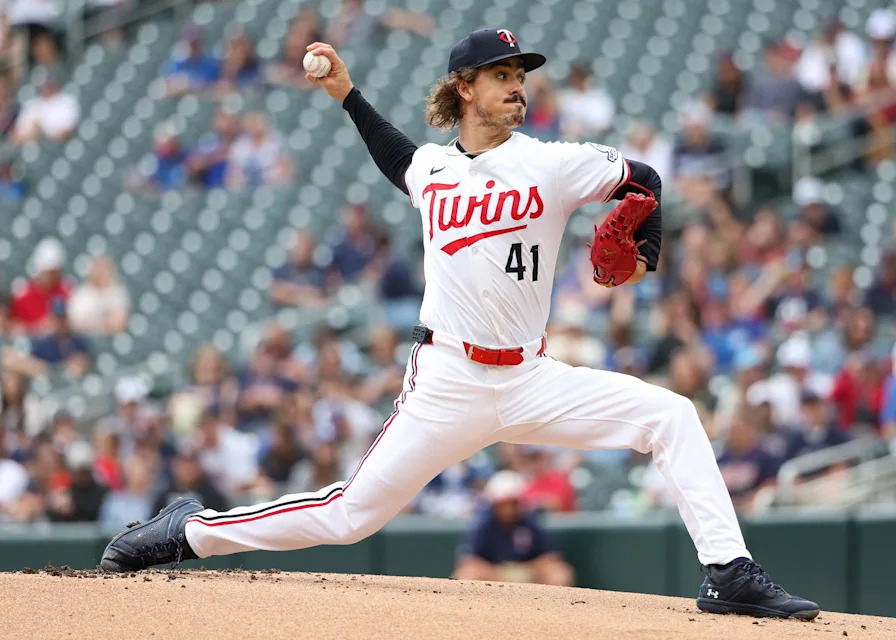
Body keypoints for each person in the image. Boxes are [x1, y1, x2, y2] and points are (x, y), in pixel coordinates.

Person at [101, 28, 819, 620]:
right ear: (464, 88)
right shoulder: (434, 172)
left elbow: (645, 181)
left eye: (520, 74)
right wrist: (346, 94)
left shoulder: (552, 164)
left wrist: (643, 258)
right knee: (349, 516)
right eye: (499, 73)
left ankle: (727, 571)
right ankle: (186, 532)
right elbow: (396, 157)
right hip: (447, 378)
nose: (516, 85)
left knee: (672, 416)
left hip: (532, 377)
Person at [453, 470, 574, 586]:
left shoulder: (528, 521)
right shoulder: (483, 523)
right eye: (503, 504)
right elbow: (468, 559)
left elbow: (550, 556)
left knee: (559, 573)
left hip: (527, 572)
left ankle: (552, 607)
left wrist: (526, 571)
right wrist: (497, 574)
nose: (508, 509)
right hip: (493, 574)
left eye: (513, 503)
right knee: (466, 574)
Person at [67, 254, 129, 336]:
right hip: (85, 340)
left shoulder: (117, 293)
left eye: (102, 268)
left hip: (110, 340)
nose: (99, 272)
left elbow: (118, 323)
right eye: (96, 268)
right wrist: (102, 321)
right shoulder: (81, 293)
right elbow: (74, 322)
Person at [269, 230, 327, 308]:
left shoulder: (318, 272)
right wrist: (305, 297)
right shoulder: (282, 270)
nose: (302, 251)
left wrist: (291, 293)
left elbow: (321, 296)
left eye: (306, 247)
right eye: (299, 247)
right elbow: (277, 293)